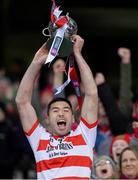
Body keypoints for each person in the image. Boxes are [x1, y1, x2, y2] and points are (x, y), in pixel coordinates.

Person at [15, 35, 98, 179]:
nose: (61, 114)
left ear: (73, 118)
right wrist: (36, 63)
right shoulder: (39, 138)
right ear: (46, 119)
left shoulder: (85, 134)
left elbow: (91, 93)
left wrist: (77, 54)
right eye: (55, 110)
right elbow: (22, 102)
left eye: (66, 110)